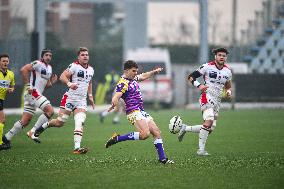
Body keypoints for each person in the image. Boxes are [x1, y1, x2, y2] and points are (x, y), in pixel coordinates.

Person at [105, 60, 174, 164]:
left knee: (156, 132)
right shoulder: (123, 83)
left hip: (141, 111)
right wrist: (114, 103)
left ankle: (162, 159)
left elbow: (144, 75)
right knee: (145, 134)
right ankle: (118, 138)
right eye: (133, 71)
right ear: (126, 71)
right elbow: (117, 95)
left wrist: (154, 71)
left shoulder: (134, 78)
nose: (135, 73)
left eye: (136, 71)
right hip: (132, 112)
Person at [33, 47, 95, 154]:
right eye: (83, 55)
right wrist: (70, 83)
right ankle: (44, 126)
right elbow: (62, 76)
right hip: (69, 99)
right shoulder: (74, 66)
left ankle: (77, 148)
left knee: (80, 121)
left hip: (81, 101)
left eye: (86, 55)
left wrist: (90, 96)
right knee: (59, 122)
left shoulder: (91, 69)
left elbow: (89, 82)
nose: (85, 56)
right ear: (78, 57)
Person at [177, 47, 232, 156]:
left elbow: (228, 86)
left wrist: (229, 91)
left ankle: (185, 128)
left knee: (210, 128)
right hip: (206, 96)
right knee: (209, 119)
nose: (222, 57)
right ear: (215, 56)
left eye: (224, 56)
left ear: (226, 57)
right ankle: (201, 150)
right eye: (220, 55)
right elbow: (190, 77)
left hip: (217, 100)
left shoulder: (228, 71)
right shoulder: (207, 67)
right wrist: (199, 85)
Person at [1, 49, 57, 150]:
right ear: (42, 56)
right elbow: (23, 69)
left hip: (36, 94)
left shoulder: (50, 68)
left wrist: (52, 82)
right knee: (50, 110)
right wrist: (28, 85)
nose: (48, 57)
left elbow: (46, 85)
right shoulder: (38, 63)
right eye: (46, 55)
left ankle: (6, 138)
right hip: (32, 92)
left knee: (25, 121)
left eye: (50, 55)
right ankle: (33, 131)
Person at [0, 54, 15, 150]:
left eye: (7, 61)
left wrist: (11, 89)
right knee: (2, 119)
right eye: (3, 61)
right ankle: (0, 143)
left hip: (1, 99)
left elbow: (12, 86)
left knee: (2, 120)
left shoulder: (11, 74)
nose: (5, 63)